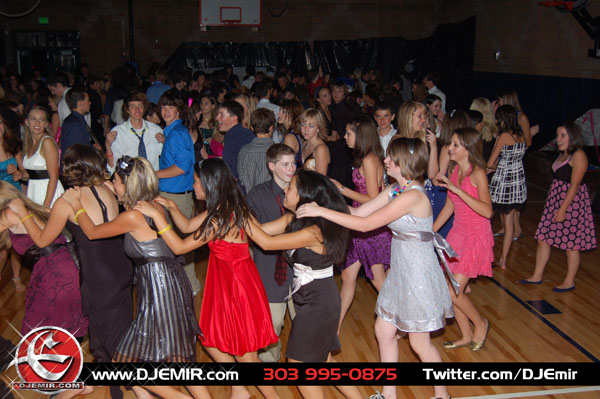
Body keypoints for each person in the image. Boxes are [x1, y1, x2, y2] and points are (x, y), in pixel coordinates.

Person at [295, 138, 453, 399]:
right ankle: (389, 394)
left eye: (391, 158)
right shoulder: (396, 189)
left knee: (419, 342)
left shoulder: (413, 195)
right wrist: (325, 202)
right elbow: (358, 213)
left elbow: (366, 226)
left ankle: (442, 394)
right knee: (383, 330)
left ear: (404, 163)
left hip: (418, 274)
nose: (386, 161)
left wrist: (322, 211)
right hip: (403, 268)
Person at [61, 156, 208, 399]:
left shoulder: (132, 216)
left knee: (126, 361)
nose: (112, 184)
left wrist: (77, 205)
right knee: (176, 355)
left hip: (160, 288)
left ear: (127, 184)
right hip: (168, 282)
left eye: (116, 181)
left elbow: (93, 232)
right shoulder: (152, 206)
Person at [135, 158, 280, 399]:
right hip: (228, 282)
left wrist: (158, 218)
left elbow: (181, 246)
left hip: (237, 287)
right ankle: (239, 389)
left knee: (248, 359)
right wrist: (171, 207)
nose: (193, 186)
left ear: (209, 184)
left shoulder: (218, 218)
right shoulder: (225, 207)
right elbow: (189, 225)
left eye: (196, 182)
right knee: (211, 340)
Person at [9, 146, 134, 393]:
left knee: (102, 336)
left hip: (98, 275)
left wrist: (24, 215)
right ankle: (131, 380)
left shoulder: (67, 201)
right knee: (121, 327)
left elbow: (43, 240)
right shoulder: (108, 188)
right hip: (122, 265)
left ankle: (119, 390)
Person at [246, 170, 362, 399]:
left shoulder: (314, 231)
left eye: (290, 188)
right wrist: (241, 212)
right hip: (310, 299)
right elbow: (260, 232)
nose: (284, 190)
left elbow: (267, 244)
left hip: (319, 302)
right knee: (325, 361)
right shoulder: (294, 219)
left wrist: (236, 209)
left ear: (303, 197)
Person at [0, 181, 88, 338]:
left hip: (56, 273)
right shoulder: (28, 208)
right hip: (60, 267)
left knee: (42, 330)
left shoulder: (12, 214)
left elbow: (41, 241)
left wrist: (22, 213)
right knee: (58, 327)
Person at [433, 127, 493, 353]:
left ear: (467, 148)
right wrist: (432, 230)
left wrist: (457, 189)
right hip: (457, 235)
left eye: (455, 144)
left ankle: (480, 324)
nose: (450, 148)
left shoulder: (478, 173)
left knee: (452, 291)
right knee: (450, 288)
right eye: (451, 144)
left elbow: (487, 211)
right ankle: (466, 334)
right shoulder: (454, 170)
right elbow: (451, 205)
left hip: (476, 236)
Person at [331, 115, 390, 334]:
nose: (345, 137)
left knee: (379, 281)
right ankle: (334, 328)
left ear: (360, 135)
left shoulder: (369, 159)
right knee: (348, 276)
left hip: (370, 226)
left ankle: (402, 322)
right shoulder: (369, 157)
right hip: (359, 224)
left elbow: (374, 198)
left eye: (348, 133)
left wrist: (342, 189)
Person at [521, 122, 596, 291]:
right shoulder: (563, 154)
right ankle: (537, 275)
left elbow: (574, 185)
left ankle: (569, 281)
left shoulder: (579, 155)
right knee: (542, 238)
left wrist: (563, 208)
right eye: (557, 135)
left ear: (572, 137)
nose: (558, 139)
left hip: (572, 203)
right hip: (555, 200)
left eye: (563, 135)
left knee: (571, 244)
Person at [247, 144, 297, 362]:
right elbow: (252, 233)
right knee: (272, 325)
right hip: (269, 268)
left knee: (304, 322)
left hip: (300, 269)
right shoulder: (257, 194)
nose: (291, 168)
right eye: (285, 164)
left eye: (293, 163)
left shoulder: (303, 191)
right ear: (271, 166)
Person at [156, 89, 201, 296]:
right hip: (174, 195)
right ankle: (186, 287)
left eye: (171, 106)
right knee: (177, 244)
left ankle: (190, 287)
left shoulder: (177, 134)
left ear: (179, 111)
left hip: (176, 197)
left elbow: (183, 166)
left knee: (180, 245)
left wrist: (154, 174)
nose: (166, 110)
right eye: (164, 106)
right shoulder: (174, 133)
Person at [487, 105, 528, 270]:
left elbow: (491, 162)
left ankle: (484, 253)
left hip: (503, 182)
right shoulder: (521, 135)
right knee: (509, 223)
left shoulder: (504, 136)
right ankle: (503, 260)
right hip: (517, 182)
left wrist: (496, 166)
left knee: (487, 216)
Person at [105, 91, 163, 172]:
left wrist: (165, 142)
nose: (137, 110)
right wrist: (108, 146)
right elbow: (112, 165)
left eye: (140, 106)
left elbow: (166, 157)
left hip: (151, 179)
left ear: (144, 108)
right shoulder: (118, 132)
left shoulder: (155, 130)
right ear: (127, 110)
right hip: (129, 179)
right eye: (132, 106)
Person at [22, 106, 64, 207]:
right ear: (27, 122)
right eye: (33, 119)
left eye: (42, 119)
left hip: (47, 193)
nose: (37, 123)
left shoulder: (47, 142)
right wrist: (20, 174)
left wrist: (46, 205)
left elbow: (54, 176)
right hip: (34, 190)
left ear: (46, 124)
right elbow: (35, 172)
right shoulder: (29, 143)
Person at [238, 108, 276, 193]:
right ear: (271, 128)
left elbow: (242, 181)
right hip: (273, 201)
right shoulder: (279, 151)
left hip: (250, 200)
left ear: (252, 128)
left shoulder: (244, 151)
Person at [219, 100, 255, 182]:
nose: (217, 118)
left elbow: (231, 172)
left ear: (233, 119)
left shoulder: (231, 136)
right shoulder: (247, 133)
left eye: (221, 115)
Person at [60, 88, 96, 165]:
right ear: (80, 103)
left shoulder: (76, 120)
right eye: (87, 100)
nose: (90, 103)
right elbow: (76, 153)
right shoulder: (74, 124)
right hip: (76, 170)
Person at [299, 108, 330, 175]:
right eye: (303, 125)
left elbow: (321, 179)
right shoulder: (305, 143)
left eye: (311, 126)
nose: (306, 129)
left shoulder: (321, 149)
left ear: (318, 128)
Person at [280, 99, 306, 168]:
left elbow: (287, 165)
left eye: (283, 112)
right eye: (280, 110)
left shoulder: (290, 137)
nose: (279, 114)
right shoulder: (293, 133)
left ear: (292, 115)